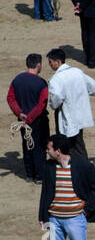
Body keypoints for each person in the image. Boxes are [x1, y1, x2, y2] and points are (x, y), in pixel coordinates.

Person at [46, 49, 95, 157]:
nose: (50, 65)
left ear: (58, 62)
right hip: (79, 115)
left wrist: (52, 105)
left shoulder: (56, 79)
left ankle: (75, 168)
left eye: (50, 62)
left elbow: (56, 98)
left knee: (66, 145)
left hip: (66, 116)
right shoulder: (77, 72)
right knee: (77, 143)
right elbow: (94, 87)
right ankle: (82, 166)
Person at [9, 53, 49, 183]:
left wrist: (20, 113)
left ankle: (29, 174)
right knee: (39, 146)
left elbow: (10, 98)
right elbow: (41, 104)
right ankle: (40, 175)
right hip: (37, 120)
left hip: (22, 120)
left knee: (27, 146)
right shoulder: (41, 83)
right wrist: (30, 118)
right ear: (38, 65)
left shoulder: (17, 80)